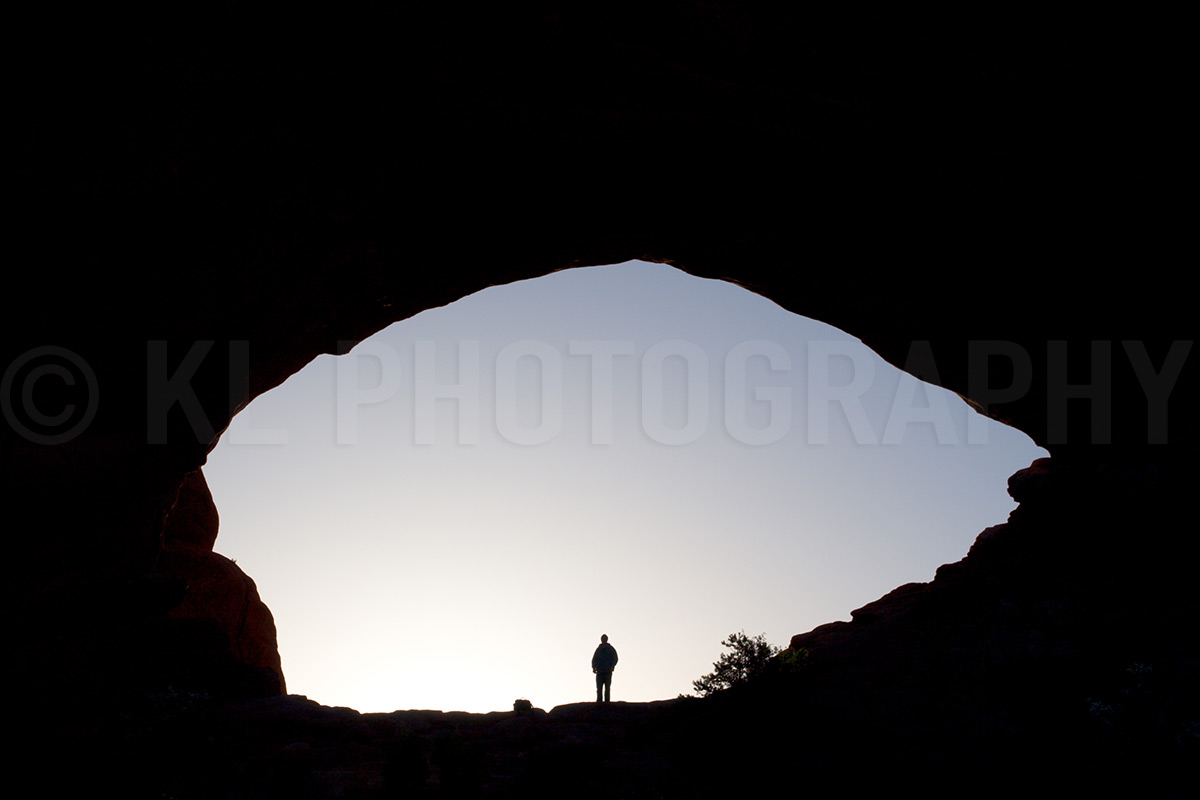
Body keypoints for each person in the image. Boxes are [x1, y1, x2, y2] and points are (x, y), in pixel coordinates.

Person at [591, 634, 618, 702]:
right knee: (599, 688)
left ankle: (607, 701)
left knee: (607, 688)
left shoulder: (610, 649)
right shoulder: (598, 649)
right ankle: (599, 701)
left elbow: (615, 658)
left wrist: (612, 666)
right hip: (599, 671)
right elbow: (594, 659)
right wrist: (593, 667)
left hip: (607, 671)